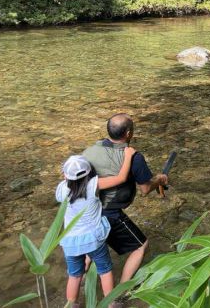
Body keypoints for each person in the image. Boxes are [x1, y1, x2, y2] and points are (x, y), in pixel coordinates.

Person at [82, 114, 168, 285]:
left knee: (91, 248)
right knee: (140, 246)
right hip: (109, 212)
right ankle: (120, 293)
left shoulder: (90, 150)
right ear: (128, 133)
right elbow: (144, 189)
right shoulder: (134, 157)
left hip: (86, 210)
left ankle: (77, 287)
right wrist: (159, 179)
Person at [56, 150, 135, 306]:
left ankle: (71, 304)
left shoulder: (61, 189)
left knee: (75, 275)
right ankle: (110, 303)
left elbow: (66, 187)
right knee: (104, 270)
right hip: (93, 239)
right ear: (89, 173)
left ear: (65, 176)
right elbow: (121, 178)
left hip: (70, 242)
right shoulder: (93, 185)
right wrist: (128, 156)